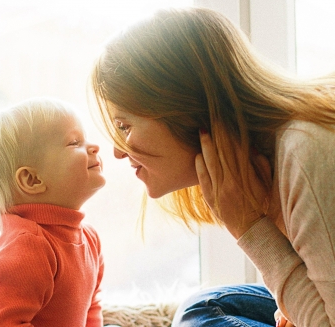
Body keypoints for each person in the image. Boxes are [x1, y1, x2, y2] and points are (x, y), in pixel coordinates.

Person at [88, 6, 335, 327]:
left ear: (183, 109)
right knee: (204, 308)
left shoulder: (303, 153)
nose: (118, 153)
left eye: (124, 126)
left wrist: (251, 228)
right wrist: (289, 306)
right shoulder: (271, 159)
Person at [0, 97, 106, 327]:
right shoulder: (29, 248)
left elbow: (91, 307)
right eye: (75, 142)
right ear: (32, 179)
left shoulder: (90, 239)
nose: (93, 147)